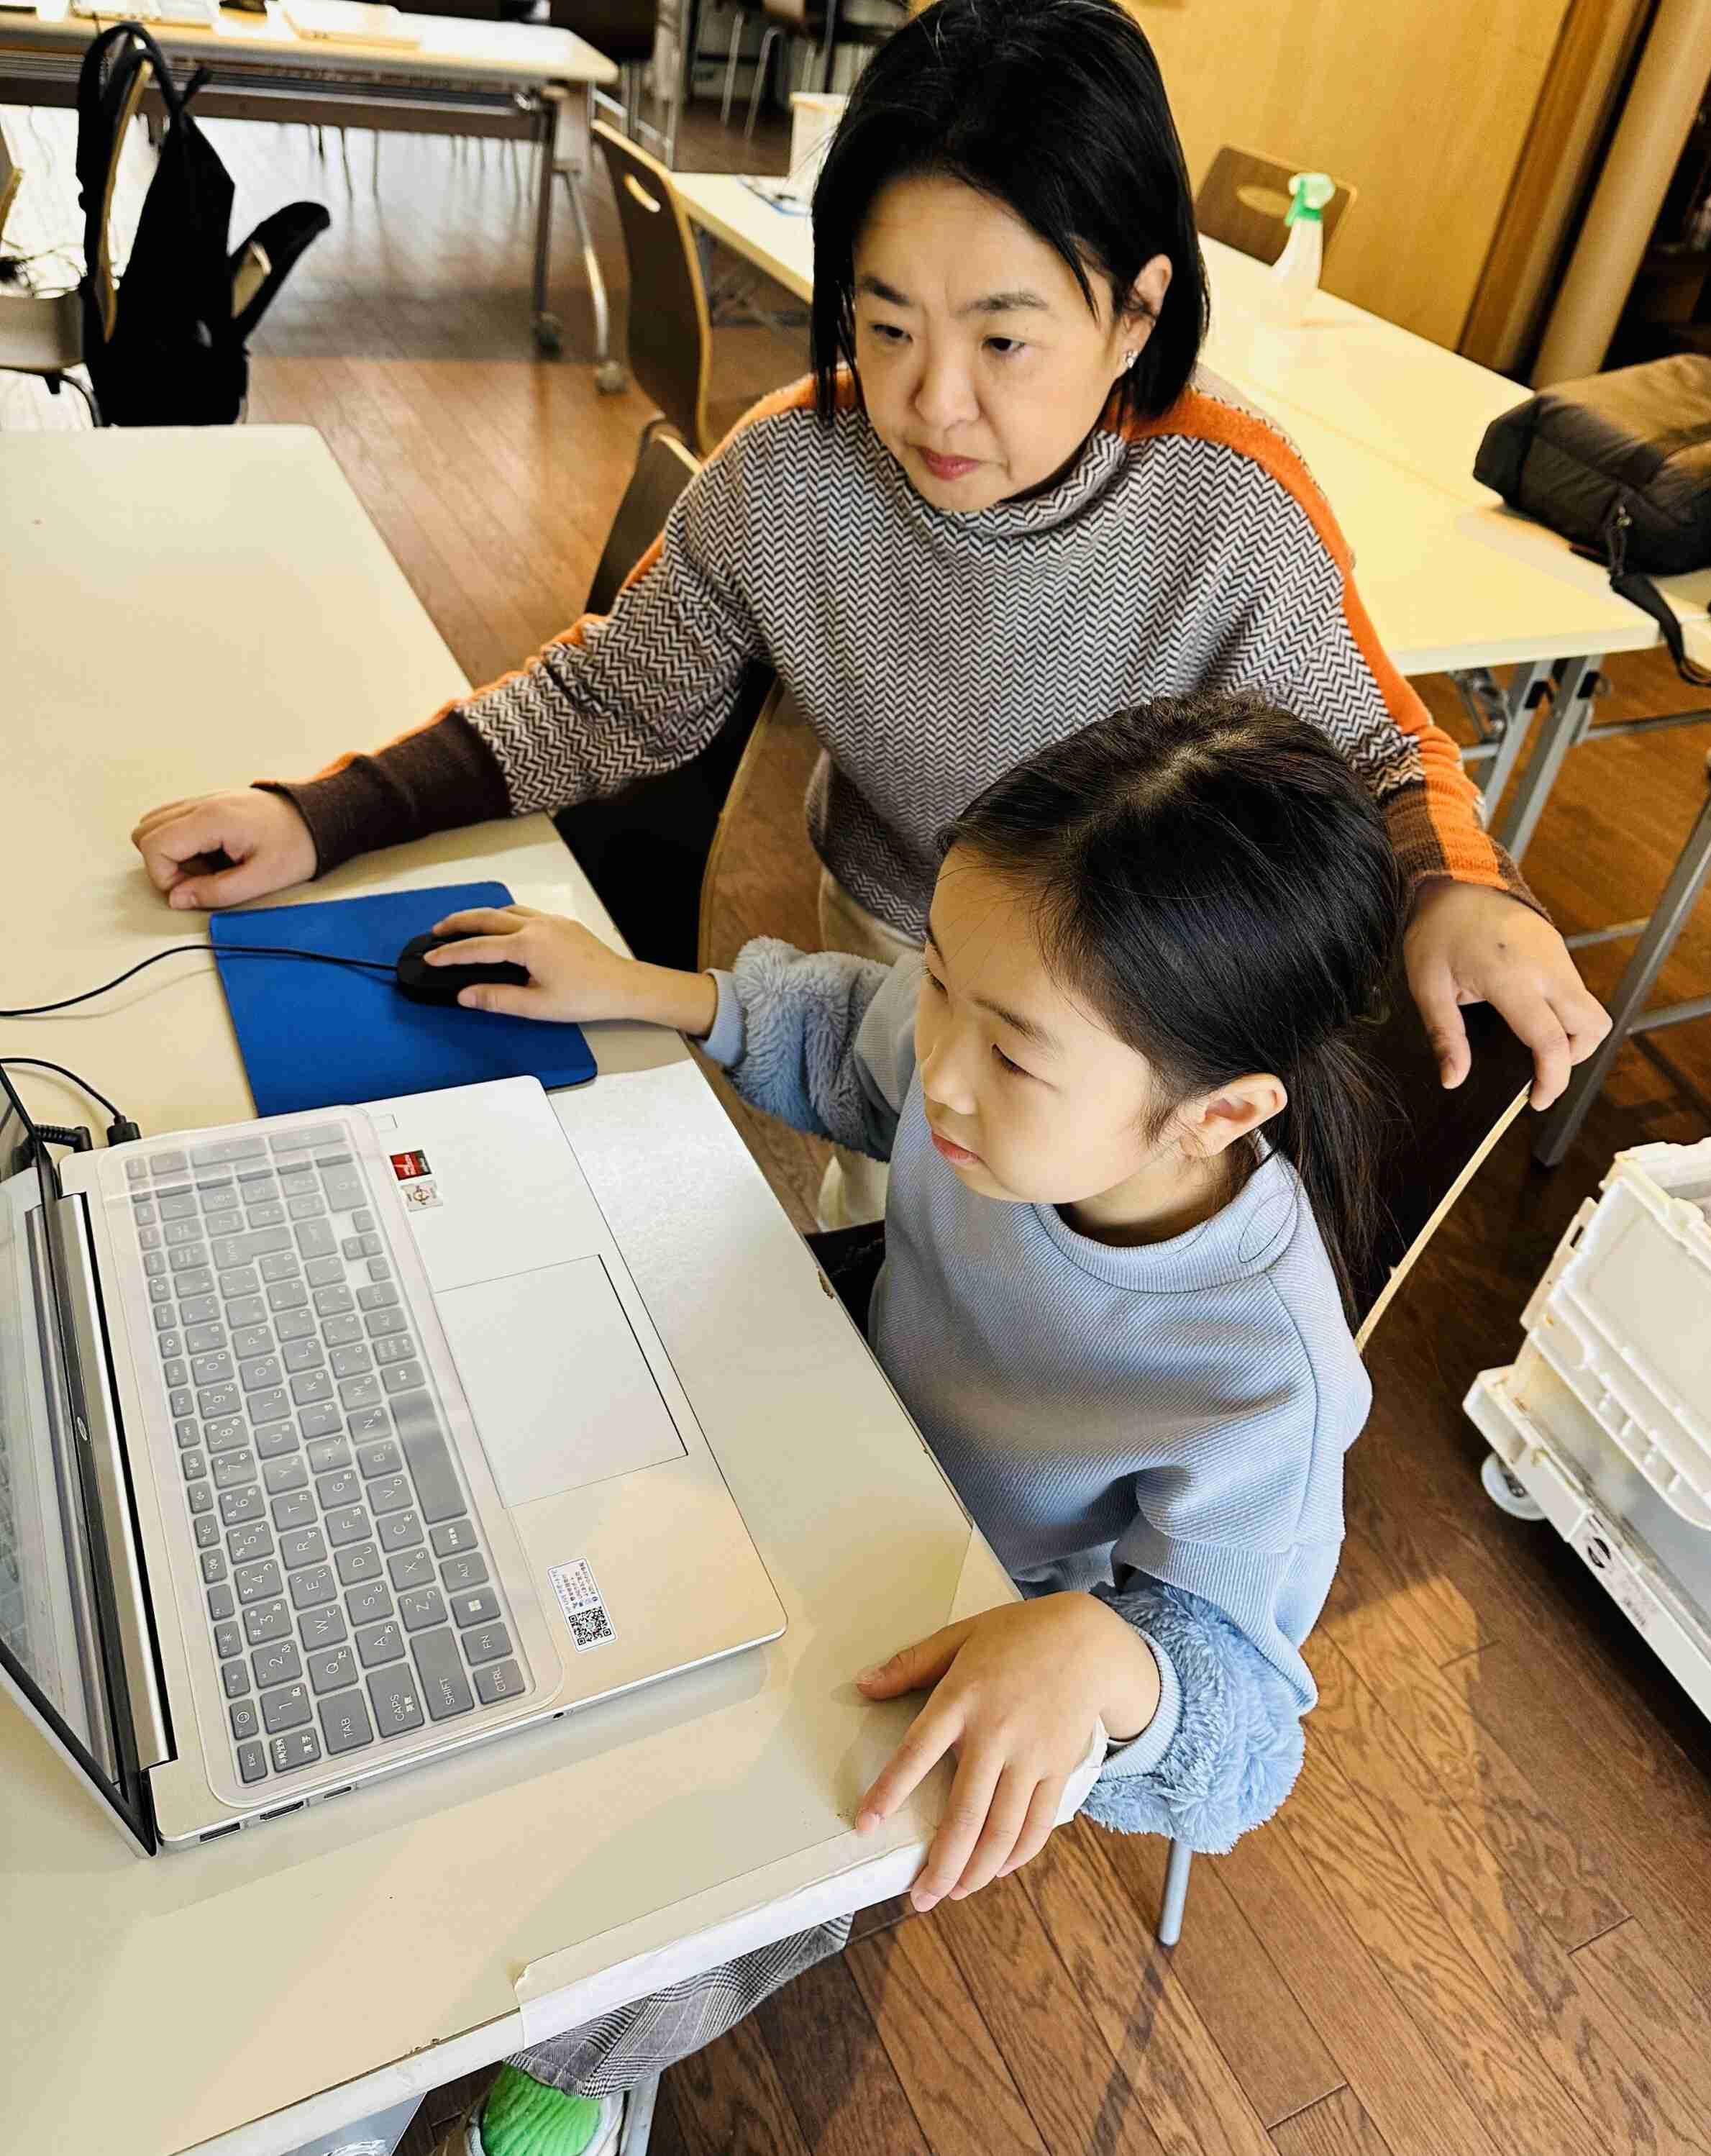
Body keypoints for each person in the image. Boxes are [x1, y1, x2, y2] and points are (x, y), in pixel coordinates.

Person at [131, 0, 1607, 1230]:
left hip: (1111, 1041)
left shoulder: (1232, 511)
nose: (929, 399)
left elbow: (1383, 749)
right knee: (878, 1231)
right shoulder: (795, 470)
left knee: (1033, 1322)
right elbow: (612, 693)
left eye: (1004, 340)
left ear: (1136, 314)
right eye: (885, 322)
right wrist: (324, 815)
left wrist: (1459, 887)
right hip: (890, 943)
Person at [408, 692, 1402, 2156]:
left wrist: (1112, 1657)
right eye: (941, 980)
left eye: (1015, 1054)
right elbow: (848, 1030)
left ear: (1216, 1113)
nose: (942, 1069)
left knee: (734, 1853)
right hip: (823, 1412)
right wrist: (640, 985)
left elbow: (1250, 1733)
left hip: (957, 1611)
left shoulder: (1266, 1373)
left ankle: (582, 2066)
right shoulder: (972, 1076)